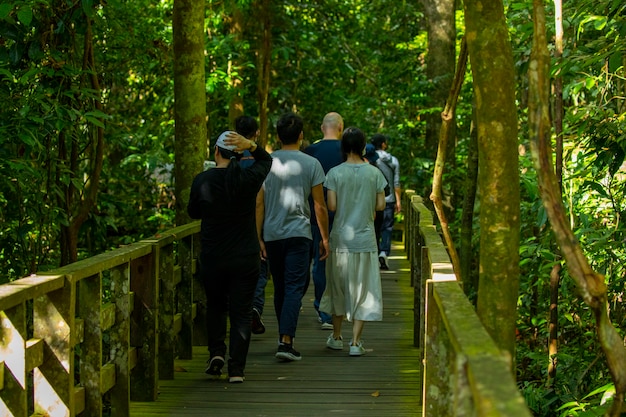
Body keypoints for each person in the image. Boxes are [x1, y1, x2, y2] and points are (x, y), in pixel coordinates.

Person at [187, 130, 272, 383]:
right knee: (241, 312)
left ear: (215, 152)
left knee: (215, 305)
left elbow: (193, 212)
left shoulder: (202, 181)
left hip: (213, 257)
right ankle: (236, 369)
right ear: (238, 154)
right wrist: (252, 146)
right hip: (245, 257)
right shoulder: (247, 178)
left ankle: (216, 354)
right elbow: (266, 161)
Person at [257, 112, 330, 362]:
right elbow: (319, 206)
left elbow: (259, 204)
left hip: (273, 233)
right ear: (301, 135)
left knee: (282, 286)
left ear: (277, 136)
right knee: (294, 287)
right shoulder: (311, 164)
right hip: (299, 233)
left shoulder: (267, 162)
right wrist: (325, 237)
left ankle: (283, 337)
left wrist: (259, 237)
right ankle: (286, 341)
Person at [320, 127, 387, 356]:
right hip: (365, 238)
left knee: (338, 285)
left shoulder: (335, 173)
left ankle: (337, 336)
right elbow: (380, 206)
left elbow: (332, 206)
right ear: (362, 145)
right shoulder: (374, 173)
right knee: (363, 287)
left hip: (341, 238)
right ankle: (356, 342)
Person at [303, 112, 344, 330]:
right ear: (340, 127)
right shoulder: (346, 151)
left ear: (322, 128)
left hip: (315, 215)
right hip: (343, 216)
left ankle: (322, 308)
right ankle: (338, 308)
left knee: (319, 263)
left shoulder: (310, 151)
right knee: (341, 264)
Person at [235, 115, 268, 335]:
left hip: (229, 223)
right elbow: (259, 200)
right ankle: (254, 307)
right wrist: (258, 235)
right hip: (252, 223)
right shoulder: (260, 159)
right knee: (259, 268)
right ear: (256, 134)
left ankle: (239, 311)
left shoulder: (229, 156)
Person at [371, 134, 401, 270]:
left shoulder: (370, 159)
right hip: (389, 199)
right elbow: (396, 183)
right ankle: (384, 253)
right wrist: (398, 201)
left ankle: (375, 253)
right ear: (383, 144)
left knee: (375, 227)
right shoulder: (393, 160)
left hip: (375, 199)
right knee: (387, 227)